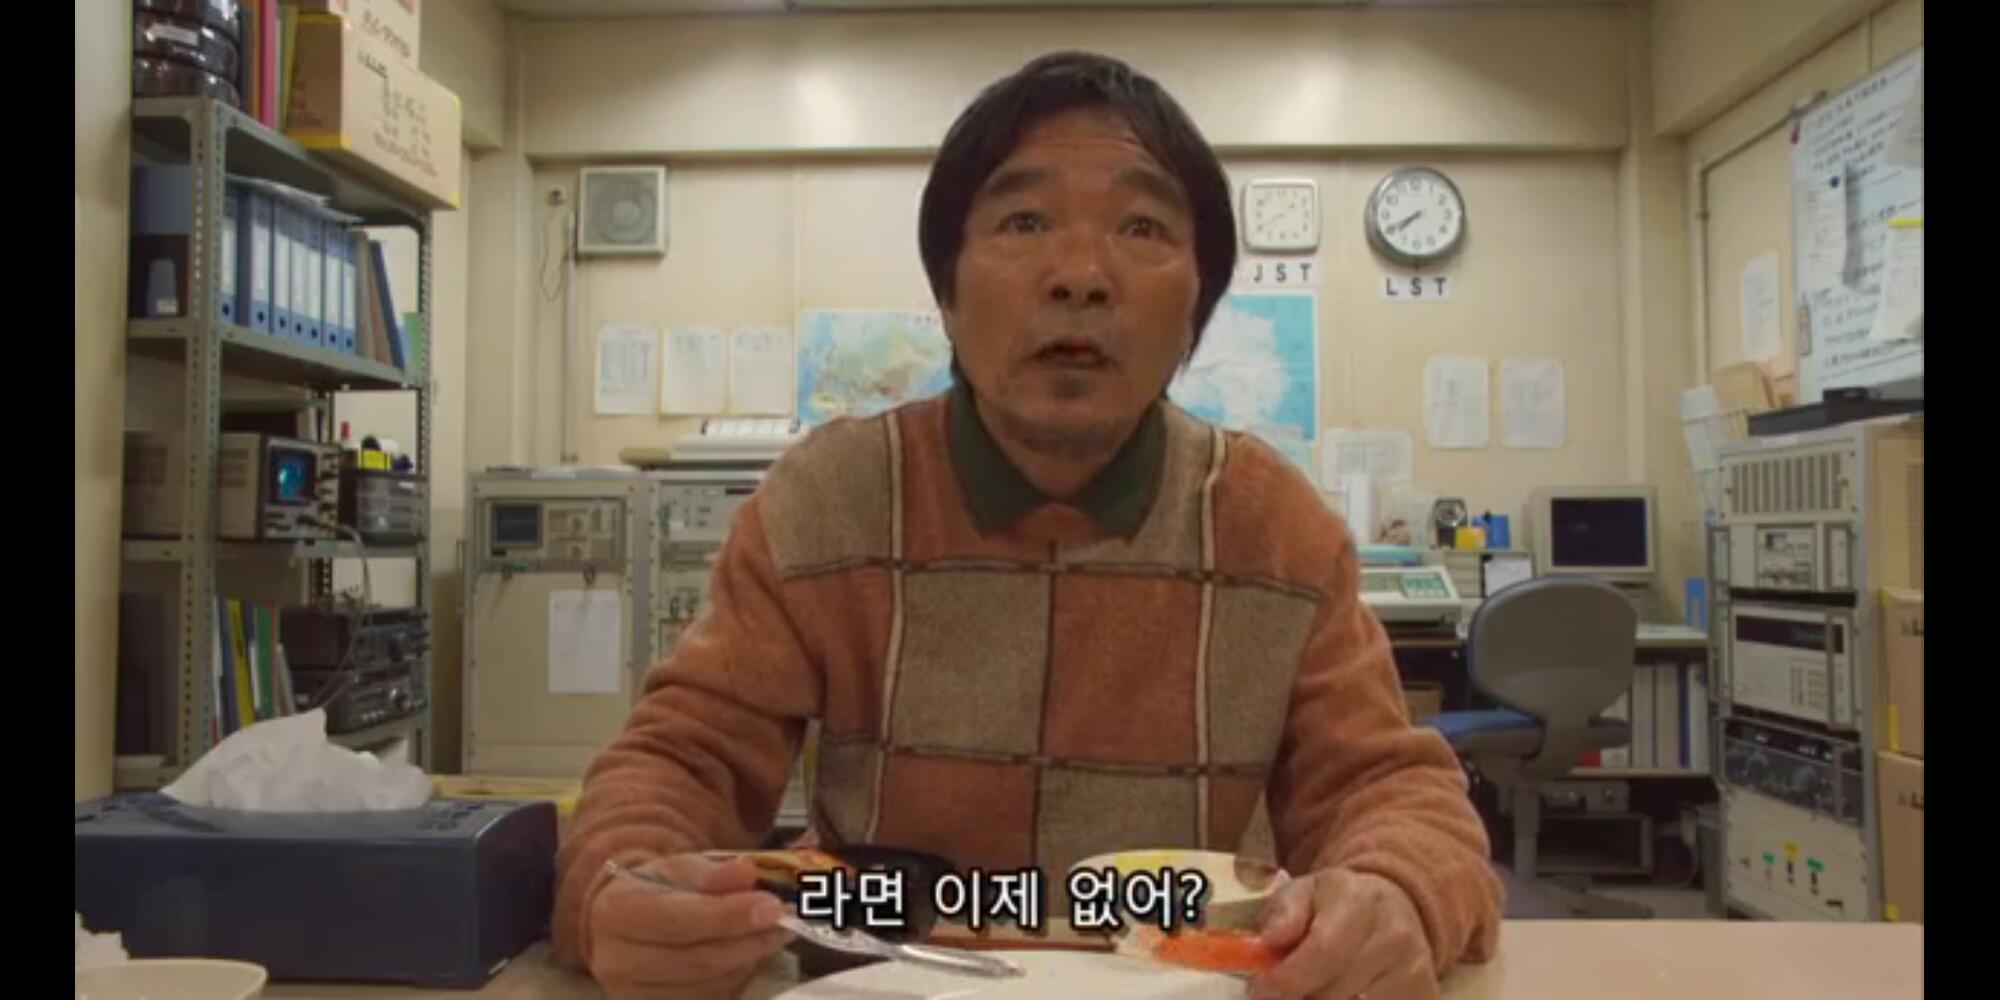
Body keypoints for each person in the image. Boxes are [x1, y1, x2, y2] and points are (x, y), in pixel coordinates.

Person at [554, 51, 1503, 1000]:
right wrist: (620, 890)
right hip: (884, 976)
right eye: (1024, 221)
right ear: (947, 291)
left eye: (1141, 227)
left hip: (1185, 981)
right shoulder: (826, 499)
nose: (1080, 277)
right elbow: (681, 758)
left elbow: (1389, 788)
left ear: (1198, 307)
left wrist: (1395, 893)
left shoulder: (1276, 524)